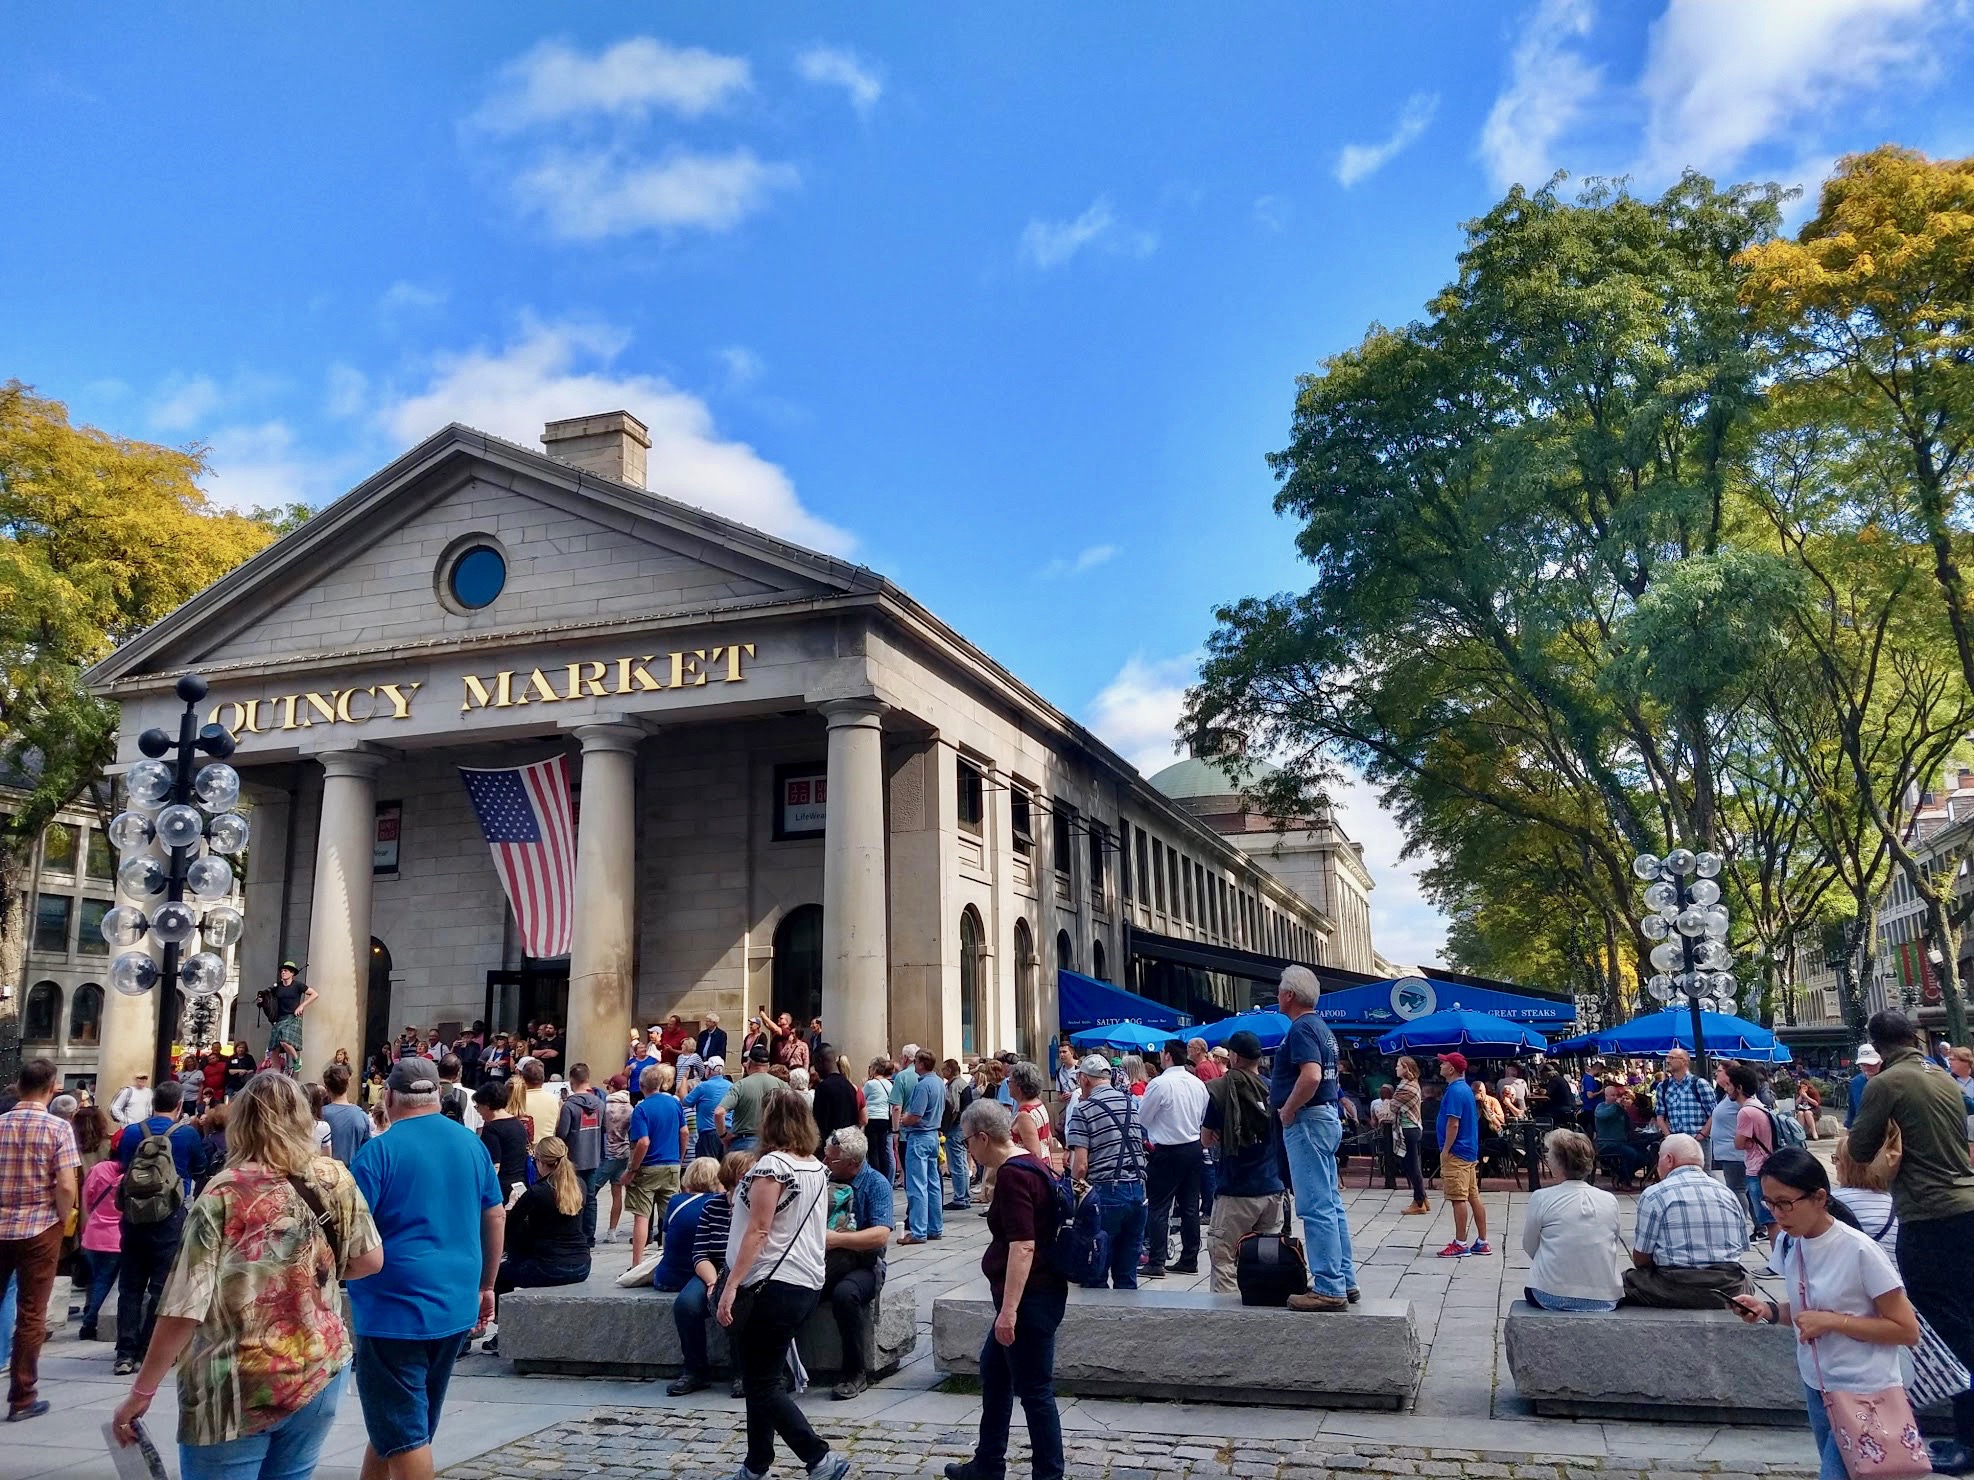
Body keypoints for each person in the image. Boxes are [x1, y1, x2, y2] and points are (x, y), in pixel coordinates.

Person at [110, 1072, 384, 1479]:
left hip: (234, 1382)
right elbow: (370, 1261)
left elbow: (184, 1305)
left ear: (243, 1121)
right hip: (318, 1368)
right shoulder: (334, 1177)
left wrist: (142, 1391)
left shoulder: (222, 1193)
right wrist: (308, 1265)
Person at [347, 1058, 505, 1480]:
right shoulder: (472, 1144)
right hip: (453, 1304)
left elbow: (351, 1231)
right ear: (438, 1095)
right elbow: (495, 1215)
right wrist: (487, 1284)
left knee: (404, 1431)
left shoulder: (379, 1150)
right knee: (399, 1425)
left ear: (390, 1097)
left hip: (394, 1310)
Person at [1729, 1148, 1924, 1480]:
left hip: (1866, 1391)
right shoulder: (1793, 1245)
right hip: (1817, 1385)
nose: (1777, 1214)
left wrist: (1835, 1321)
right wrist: (1768, 1311)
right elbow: (1807, 1313)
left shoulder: (1859, 1249)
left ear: (1819, 1197)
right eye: (1769, 1204)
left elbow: (1907, 1330)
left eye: (1785, 1203)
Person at [1846, 1009, 1974, 1474]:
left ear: (1877, 1046)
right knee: (1967, 1316)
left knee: (1947, 1328)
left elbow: (1859, 1149)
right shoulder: (1942, 1076)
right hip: (1967, 1208)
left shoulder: (1886, 1082)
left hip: (1928, 1214)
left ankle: (1967, 1441)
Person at [715, 1091, 847, 1480]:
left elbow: (759, 1230)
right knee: (763, 1376)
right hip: (805, 1279)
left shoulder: (772, 1166)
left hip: (771, 1280)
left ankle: (818, 1456)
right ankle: (756, 1464)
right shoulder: (816, 1168)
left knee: (761, 1382)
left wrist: (730, 1285)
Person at [947, 1098, 1067, 1480]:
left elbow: (1023, 1245)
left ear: (983, 1138)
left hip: (1030, 1298)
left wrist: (1009, 1311)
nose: (967, 1149)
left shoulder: (1015, 1175)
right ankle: (988, 1463)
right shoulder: (1031, 1161)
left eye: (968, 1141)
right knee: (995, 1372)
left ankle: (1048, 1474)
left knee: (1034, 1391)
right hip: (1036, 1292)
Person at [1271, 965, 1358, 1307]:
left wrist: (1289, 1109)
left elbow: (1310, 1075)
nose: (1277, 995)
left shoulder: (1301, 1029)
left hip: (1306, 1120)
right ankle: (1345, 1279)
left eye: (1280, 990)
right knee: (1332, 1205)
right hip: (1325, 1118)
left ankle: (1328, 1286)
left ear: (1289, 995)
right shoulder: (1321, 1028)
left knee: (1316, 1205)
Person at [0, 1059, 81, 1421]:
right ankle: (22, 1396)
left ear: (18, 1086)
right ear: (52, 1088)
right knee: (32, 1313)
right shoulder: (58, 1128)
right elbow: (66, 1184)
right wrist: (64, 1220)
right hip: (39, 1227)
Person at [113, 1078, 207, 1376]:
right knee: (160, 1286)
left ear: (153, 1104)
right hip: (169, 1216)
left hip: (133, 1216)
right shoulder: (187, 1135)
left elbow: (122, 1167)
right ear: (180, 1105)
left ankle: (124, 1353)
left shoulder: (130, 1133)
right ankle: (146, 1350)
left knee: (129, 1285)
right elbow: (200, 1169)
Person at [485, 1135, 590, 1354]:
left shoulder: (537, 1192)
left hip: (550, 1266)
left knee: (501, 1275)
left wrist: (512, 1203)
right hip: (581, 1264)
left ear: (541, 1162)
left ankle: (506, 1331)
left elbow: (510, 1227)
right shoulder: (579, 1185)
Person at [1623, 1133, 1752, 1307]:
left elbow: (1641, 1258)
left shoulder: (1656, 1194)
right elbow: (1742, 1247)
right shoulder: (1727, 1193)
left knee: (1625, 1280)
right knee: (1746, 1281)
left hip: (1674, 1286)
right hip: (1728, 1288)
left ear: (1668, 1159)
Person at [1201, 1030, 1284, 1293]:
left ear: (1234, 1056)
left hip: (1235, 1188)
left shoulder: (1222, 1088)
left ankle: (1227, 1320)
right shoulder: (1273, 1089)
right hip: (1272, 1186)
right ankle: (1264, 1311)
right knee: (1267, 1258)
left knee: (1224, 1256)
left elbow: (1206, 1139)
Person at [665, 1149, 753, 1396]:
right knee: (686, 1305)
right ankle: (694, 1370)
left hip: (745, 1269)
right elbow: (700, 1252)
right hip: (714, 1267)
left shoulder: (757, 1207)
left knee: (739, 1304)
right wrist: (713, 1283)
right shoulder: (712, 1205)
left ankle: (742, 1372)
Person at [819, 1126, 895, 1399]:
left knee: (845, 1295)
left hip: (864, 1264)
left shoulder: (875, 1183)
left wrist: (838, 1240)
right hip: (825, 1260)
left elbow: (881, 1234)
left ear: (853, 1163)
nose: (825, 1162)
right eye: (825, 1156)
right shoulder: (822, 1178)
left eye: (831, 1159)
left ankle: (854, 1372)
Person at [1061, 1053, 1146, 1290]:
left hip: (1106, 1192)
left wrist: (1077, 1196)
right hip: (1138, 1190)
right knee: (1127, 1274)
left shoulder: (1083, 1109)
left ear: (1086, 1080)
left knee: (1095, 1269)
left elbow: (1080, 1166)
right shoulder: (1131, 1103)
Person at [1520, 1129, 1624, 1311]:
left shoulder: (1542, 1198)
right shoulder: (1609, 1200)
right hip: (1604, 1296)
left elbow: (1530, 1245)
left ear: (1557, 1163)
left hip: (1549, 1293)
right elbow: (1611, 1242)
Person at [1139, 1039, 1208, 1279]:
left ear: (1167, 1056)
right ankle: (1189, 1258)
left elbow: (1143, 1118)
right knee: (1189, 1206)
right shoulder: (1197, 1083)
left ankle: (1156, 1261)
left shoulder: (1160, 1084)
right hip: (1192, 1146)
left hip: (1167, 1149)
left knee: (1159, 1205)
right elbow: (1202, 1114)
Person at [626, 1063, 689, 1267]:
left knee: (642, 1216)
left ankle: (636, 1264)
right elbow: (684, 1132)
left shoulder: (641, 1108)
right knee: (670, 1216)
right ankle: (672, 1261)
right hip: (671, 1164)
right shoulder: (675, 1104)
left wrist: (631, 1170)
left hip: (648, 1167)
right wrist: (679, 1158)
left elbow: (643, 1142)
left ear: (641, 1085)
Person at [1433, 1052, 1489, 1259]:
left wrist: (1446, 1149)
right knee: (1473, 1195)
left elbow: (1453, 1122)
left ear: (1451, 1068)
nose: (1440, 1065)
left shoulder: (1455, 1091)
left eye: (1444, 1063)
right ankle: (1482, 1241)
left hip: (1457, 1151)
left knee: (1458, 1197)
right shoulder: (1465, 1088)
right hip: (1468, 1150)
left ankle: (1460, 1243)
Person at [554, 1064, 607, 1247]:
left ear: (571, 1081)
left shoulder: (569, 1105)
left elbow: (562, 1133)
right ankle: (589, 1236)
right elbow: (605, 1128)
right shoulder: (600, 1103)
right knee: (590, 1198)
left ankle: (573, 1234)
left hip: (572, 1158)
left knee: (571, 1196)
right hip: (593, 1157)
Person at [650, 1157, 723, 1291]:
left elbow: (665, 1242)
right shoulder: (718, 1204)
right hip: (700, 1275)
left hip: (667, 1278)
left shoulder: (675, 1201)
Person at [898, 1048, 946, 1245]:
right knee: (933, 1183)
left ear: (920, 1064)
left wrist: (904, 1120)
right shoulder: (939, 1083)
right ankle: (935, 1227)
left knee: (917, 1185)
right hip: (933, 1134)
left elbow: (915, 1115)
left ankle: (918, 1231)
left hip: (919, 1136)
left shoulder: (923, 1085)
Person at [76, 1141, 123, 1342]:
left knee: (97, 1279)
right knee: (106, 1282)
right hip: (116, 1237)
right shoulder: (130, 1174)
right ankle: (90, 1322)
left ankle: (90, 1315)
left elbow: (87, 1198)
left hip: (93, 1234)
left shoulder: (99, 1169)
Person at [1729, 1062, 1779, 1239]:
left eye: (1729, 1085)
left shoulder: (1746, 1112)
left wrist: (1742, 1139)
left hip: (1756, 1169)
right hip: (1765, 1165)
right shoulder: (1758, 1105)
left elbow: (1739, 1143)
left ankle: (1777, 1264)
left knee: (1770, 1222)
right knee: (1773, 1221)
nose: (1727, 1090)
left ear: (1739, 1087)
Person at [1832, 1133, 1899, 1255]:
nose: (1835, 1165)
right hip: (1892, 1272)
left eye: (1837, 1159)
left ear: (1847, 1166)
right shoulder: (1898, 1205)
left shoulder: (1830, 1202)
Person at [719, 1043, 781, 1154]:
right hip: (773, 1143)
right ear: (768, 1065)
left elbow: (719, 1113)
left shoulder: (740, 1085)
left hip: (744, 1143)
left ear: (749, 1064)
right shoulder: (781, 1085)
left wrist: (723, 1135)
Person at [473, 1083, 528, 1202]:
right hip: (519, 1184)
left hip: (501, 1188)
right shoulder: (518, 1124)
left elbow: (494, 1166)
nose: (478, 1112)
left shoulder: (491, 1129)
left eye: (478, 1107)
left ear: (487, 1105)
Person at [260, 961, 316, 1072]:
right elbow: (269, 1000)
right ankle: (276, 1072)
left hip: (292, 1017)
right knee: (274, 1048)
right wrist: (262, 999)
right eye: (282, 971)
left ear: (292, 973)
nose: (283, 973)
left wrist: (301, 1006)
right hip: (280, 1018)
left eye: (286, 971)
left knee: (284, 1041)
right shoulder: (277, 987)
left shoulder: (298, 985)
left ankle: (297, 1059)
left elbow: (314, 994)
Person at [1708, 1061, 1748, 1216]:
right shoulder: (1728, 1095)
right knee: (1742, 1190)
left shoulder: (1739, 1097)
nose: (1716, 1074)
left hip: (1735, 1152)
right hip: (1727, 1151)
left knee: (1737, 1190)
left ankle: (1741, 1223)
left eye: (1719, 1071)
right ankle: (1759, 1226)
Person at [598, 1075, 635, 1242]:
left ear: (613, 1088)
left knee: (590, 1191)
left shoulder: (606, 1107)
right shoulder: (630, 1108)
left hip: (608, 1153)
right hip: (624, 1152)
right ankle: (612, 1231)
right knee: (617, 1192)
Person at [1389, 1056, 1428, 1214]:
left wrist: (1391, 1103)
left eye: (1398, 1066)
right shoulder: (1410, 1085)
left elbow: (1393, 1106)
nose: (1396, 1068)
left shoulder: (1407, 1087)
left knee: (1413, 1166)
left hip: (1409, 1128)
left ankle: (1419, 1202)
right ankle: (1423, 1197)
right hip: (1410, 1128)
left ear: (1406, 1068)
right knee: (1408, 1164)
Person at [1653, 1047, 1715, 1144]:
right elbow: (1660, 1115)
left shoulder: (1699, 1084)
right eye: (1667, 1058)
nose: (1668, 1061)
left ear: (1684, 1061)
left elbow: (1714, 1113)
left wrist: (1702, 1135)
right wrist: (1669, 1136)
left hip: (1698, 1141)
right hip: (1675, 1142)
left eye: (1672, 1058)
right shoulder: (1663, 1086)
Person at [321, 1062, 373, 1166]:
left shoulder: (320, 1114)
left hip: (325, 1173)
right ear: (348, 1084)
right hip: (352, 1174)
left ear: (326, 1088)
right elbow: (367, 1150)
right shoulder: (361, 1115)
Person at [1592, 1082, 1644, 1187]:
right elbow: (1603, 1115)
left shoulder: (1620, 1109)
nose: (1615, 1097)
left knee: (1644, 1155)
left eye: (1616, 1095)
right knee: (1631, 1153)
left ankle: (1621, 1175)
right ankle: (1624, 1180)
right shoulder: (1601, 1107)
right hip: (1607, 1144)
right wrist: (1616, 1105)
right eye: (1612, 1095)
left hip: (1623, 1142)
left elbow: (1629, 1126)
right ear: (1606, 1096)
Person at [687, 1057, 733, 1161]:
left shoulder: (703, 1086)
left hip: (708, 1133)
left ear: (710, 1070)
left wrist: (684, 1080)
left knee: (706, 1169)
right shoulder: (731, 1086)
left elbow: (686, 1101)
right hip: (727, 1132)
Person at [862, 1057, 895, 1182]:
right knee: (883, 1150)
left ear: (874, 1069)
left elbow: (862, 1100)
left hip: (873, 1118)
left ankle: (875, 1177)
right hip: (885, 1119)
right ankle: (884, 1177)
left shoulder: (870, 1084)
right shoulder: (889, 1084)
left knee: (873, 1151)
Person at [1847, 1043, 1882, 1128]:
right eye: (1863, 1065)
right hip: (1862, 1130)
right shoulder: (1856, 1082)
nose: (1866, 1069)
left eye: (1871, 1064)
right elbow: (1852, 1113)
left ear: (1881, 1062)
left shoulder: (1890, 1081)